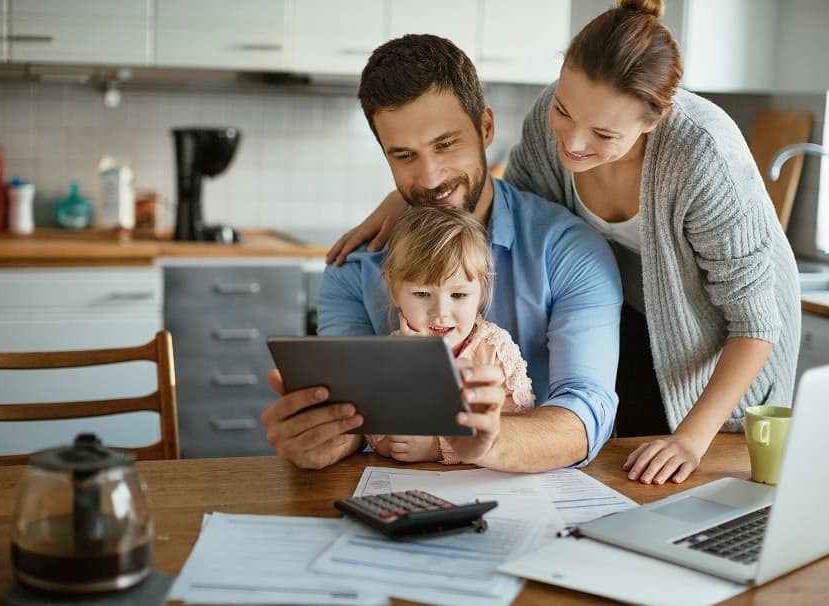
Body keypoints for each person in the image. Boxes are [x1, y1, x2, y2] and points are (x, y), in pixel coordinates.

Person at [326, 0, 801, 485]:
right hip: (631, 310)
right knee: (627, 461)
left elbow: (756, 322)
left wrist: (692, 438)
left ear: (651, 121)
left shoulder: (702, 155)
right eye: (564, 111)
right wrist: (412, 201)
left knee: (685, 472)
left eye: (602, 133)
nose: (572, 142)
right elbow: (510, 211)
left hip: (729, 341)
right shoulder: (543, 126)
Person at [263, 33, 623, 472]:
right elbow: (352, 416)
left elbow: (587, 412)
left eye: (445, 144)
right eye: (404, 155)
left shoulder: (568, 250)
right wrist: (322, 436)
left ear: (486, 128)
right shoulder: (355, 268)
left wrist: (486, 442)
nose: (431, 176)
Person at [367, 204, 536, 464]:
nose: (441, 312)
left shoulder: (495, 350)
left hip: (486, 483)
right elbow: (374, 424)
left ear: (480, 292)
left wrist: (437, 448)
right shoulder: (390, 354)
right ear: (394, 290)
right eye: (422, 294)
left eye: (458, 295)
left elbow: (519, 424)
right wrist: (389, 443)